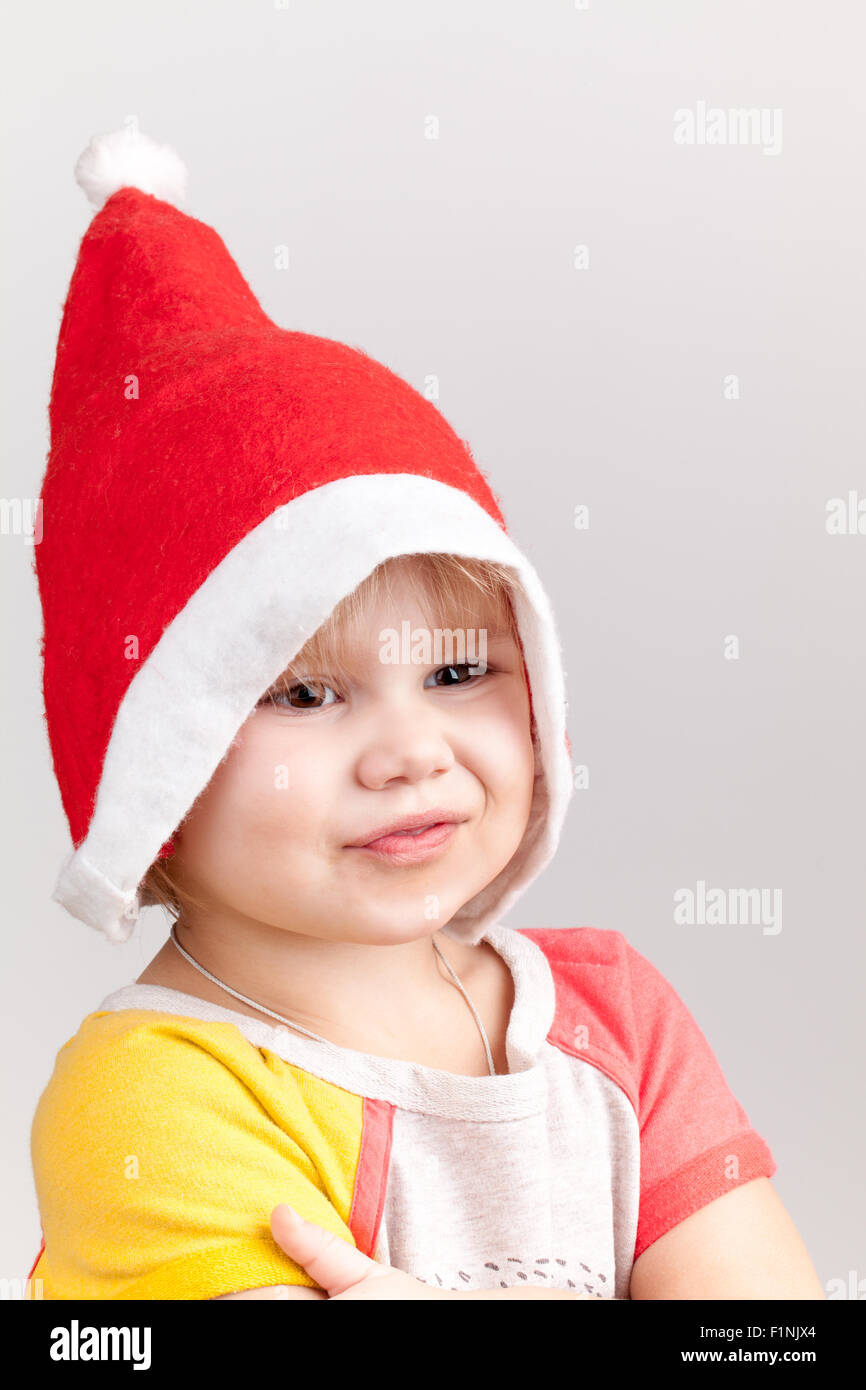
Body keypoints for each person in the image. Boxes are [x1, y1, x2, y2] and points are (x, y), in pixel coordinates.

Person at [26, 127, 823, 1302]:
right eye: (303, 694)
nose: (409, 752)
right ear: (156, 758)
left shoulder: (612, 1017)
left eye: (458, 674)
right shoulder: (156, 1096)